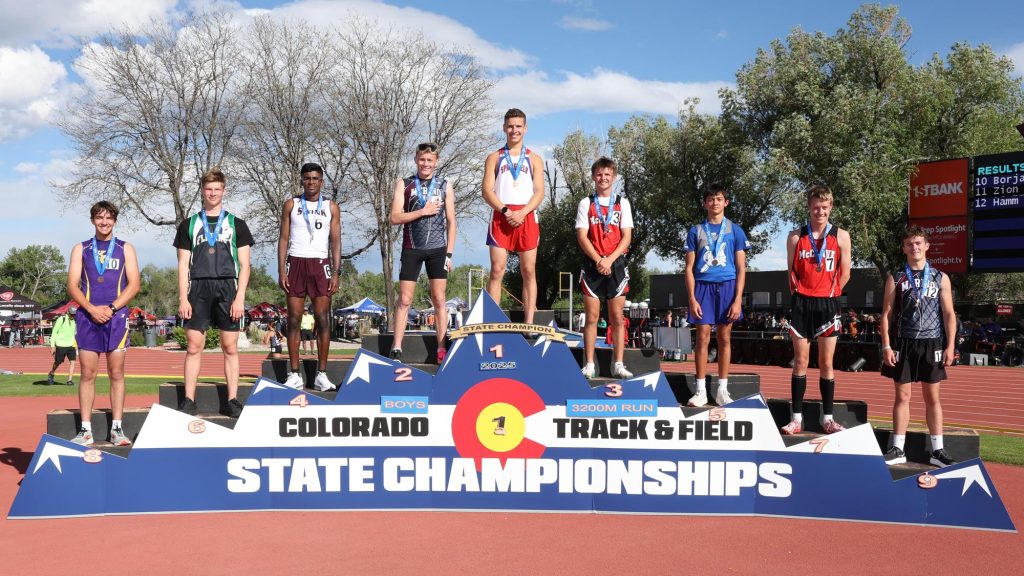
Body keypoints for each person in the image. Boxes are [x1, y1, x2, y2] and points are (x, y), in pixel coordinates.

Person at [174, 168, 254, 416]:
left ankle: (232, 400)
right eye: (208, 189)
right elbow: (182, 264)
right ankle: (189, 399)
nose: (212, 193)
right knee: (193, 346)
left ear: (224, 191)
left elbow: (245, 265)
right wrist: (183, 297)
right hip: (197, 287)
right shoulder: (189, 224)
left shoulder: (236, 224)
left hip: (227, 286)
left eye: (217, 189)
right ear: (202, 191)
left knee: (230, 346)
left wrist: (240, 297)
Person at [880, 226, 957, 467]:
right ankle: (897, 448)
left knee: (932, 398)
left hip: (932, 341)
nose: (914, 247)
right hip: (903, 341)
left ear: (927, 246)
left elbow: (949, 314)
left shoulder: (940, 277)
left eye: (918, 243)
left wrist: (950, 345)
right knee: (902, 396)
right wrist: (886, 346)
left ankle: (937, 451)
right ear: (904, 248)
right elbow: (886, 315)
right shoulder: (896, 277)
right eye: (910, 244)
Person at [66, 201, 141, 446]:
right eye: (99, 218)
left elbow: (134, 285)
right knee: (87, 373)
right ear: (92, 220)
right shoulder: (81, 248)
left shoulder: (125, 248)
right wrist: (90, 309)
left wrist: (110, 309)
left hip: (116, 317)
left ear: (115, 221)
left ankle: (117, 429)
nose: (104, 222)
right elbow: (72, 285)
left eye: (109, 218)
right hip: (88, 317)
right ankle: (85, 429)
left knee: (116, 373)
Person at [781, 185, 852, 435]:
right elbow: (791, 273)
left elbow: (846, 273)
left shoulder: (841, 236)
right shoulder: (794, 237)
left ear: (830, 207)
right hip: (801, 303)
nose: (819, 211)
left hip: (828, 304)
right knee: (800, 361)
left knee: (826, 363)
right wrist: (803, 296)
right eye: (815, 207)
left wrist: (828, 293)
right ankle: (796, 419)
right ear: (809, 207)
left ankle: (827, 418)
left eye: (824, 206)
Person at [683, 184, 751, 407]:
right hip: (703, 286)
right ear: (705, 204)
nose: (715, 203)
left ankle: (722, 388)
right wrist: (692, 298)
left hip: (728, 286)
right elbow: (689, 268)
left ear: (726, 202)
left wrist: (738, 299)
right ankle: (700, 390)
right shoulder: (696, 231)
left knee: (724, 338)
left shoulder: (735, 230)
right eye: (710, 199)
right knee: (702, 337)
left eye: (719, 199)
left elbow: (741, 268)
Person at [389, 142, 457, 363]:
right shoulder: (405, 184)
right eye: (422, 159)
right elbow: (394, 218)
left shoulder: (445, 185)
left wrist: (449, 254)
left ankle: (441, 347)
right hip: (412, 248)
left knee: (439, 299)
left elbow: (451, 222)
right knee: (405, 299)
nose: (426, 164)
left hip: (438, 250)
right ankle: (396, 348)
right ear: (416, 160)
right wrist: (422, 211)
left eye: (430, 160)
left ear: (436, 162)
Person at [276, 162, 342, 391]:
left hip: (320, 263)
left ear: (322, 181)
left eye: (315, 178)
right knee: (293, 320)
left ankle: (321, 375)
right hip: (296, 262)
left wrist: (335, 272)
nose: (311, 182)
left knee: (323, 320)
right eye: (307, 178)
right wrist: (281, 269)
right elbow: (283, 239)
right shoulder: (291, 205)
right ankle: (294, 374)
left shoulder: (331, 206)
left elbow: (335, 240)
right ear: (302, 180)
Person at [482, 108, 545, 324]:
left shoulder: (534, 158)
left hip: (526, 216)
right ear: (504, 128)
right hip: (502, 215)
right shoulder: (494, 157)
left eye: (518, 126)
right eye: (510, 126)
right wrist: (507, 211)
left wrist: (523, 212)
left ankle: (529, 322)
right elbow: (487, 190)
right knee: (497, 269)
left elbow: (539, 192)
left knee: (528, 270)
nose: (514, 130)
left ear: (525, 128)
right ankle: (492, 320)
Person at [576, 157, 633, 379]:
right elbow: (582, 236)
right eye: (599, 174)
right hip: (592, 264)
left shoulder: (622, 202)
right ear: (593, 177)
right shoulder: (586, 203)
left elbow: (627, 236)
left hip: (616, 264)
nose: (603, 178)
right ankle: (589, 364)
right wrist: (599, 259)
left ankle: (618, 364)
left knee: (617, 317)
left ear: (614, 177)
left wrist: (610, 260)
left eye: (607, 174)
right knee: (591, 317)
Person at [47, 307, 78, 386]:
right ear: (68, 312)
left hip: (71, 344)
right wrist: (52, 346)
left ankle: (69, 380)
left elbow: (74, 333)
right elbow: (54, 332)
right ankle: (52, 373)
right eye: (72, 314)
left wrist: (76, 344)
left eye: (74, 314)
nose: (73, 316)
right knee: (58, 362)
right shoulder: (61, 319)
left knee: (73, 361)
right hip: (61, 344)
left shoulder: (75, 320)